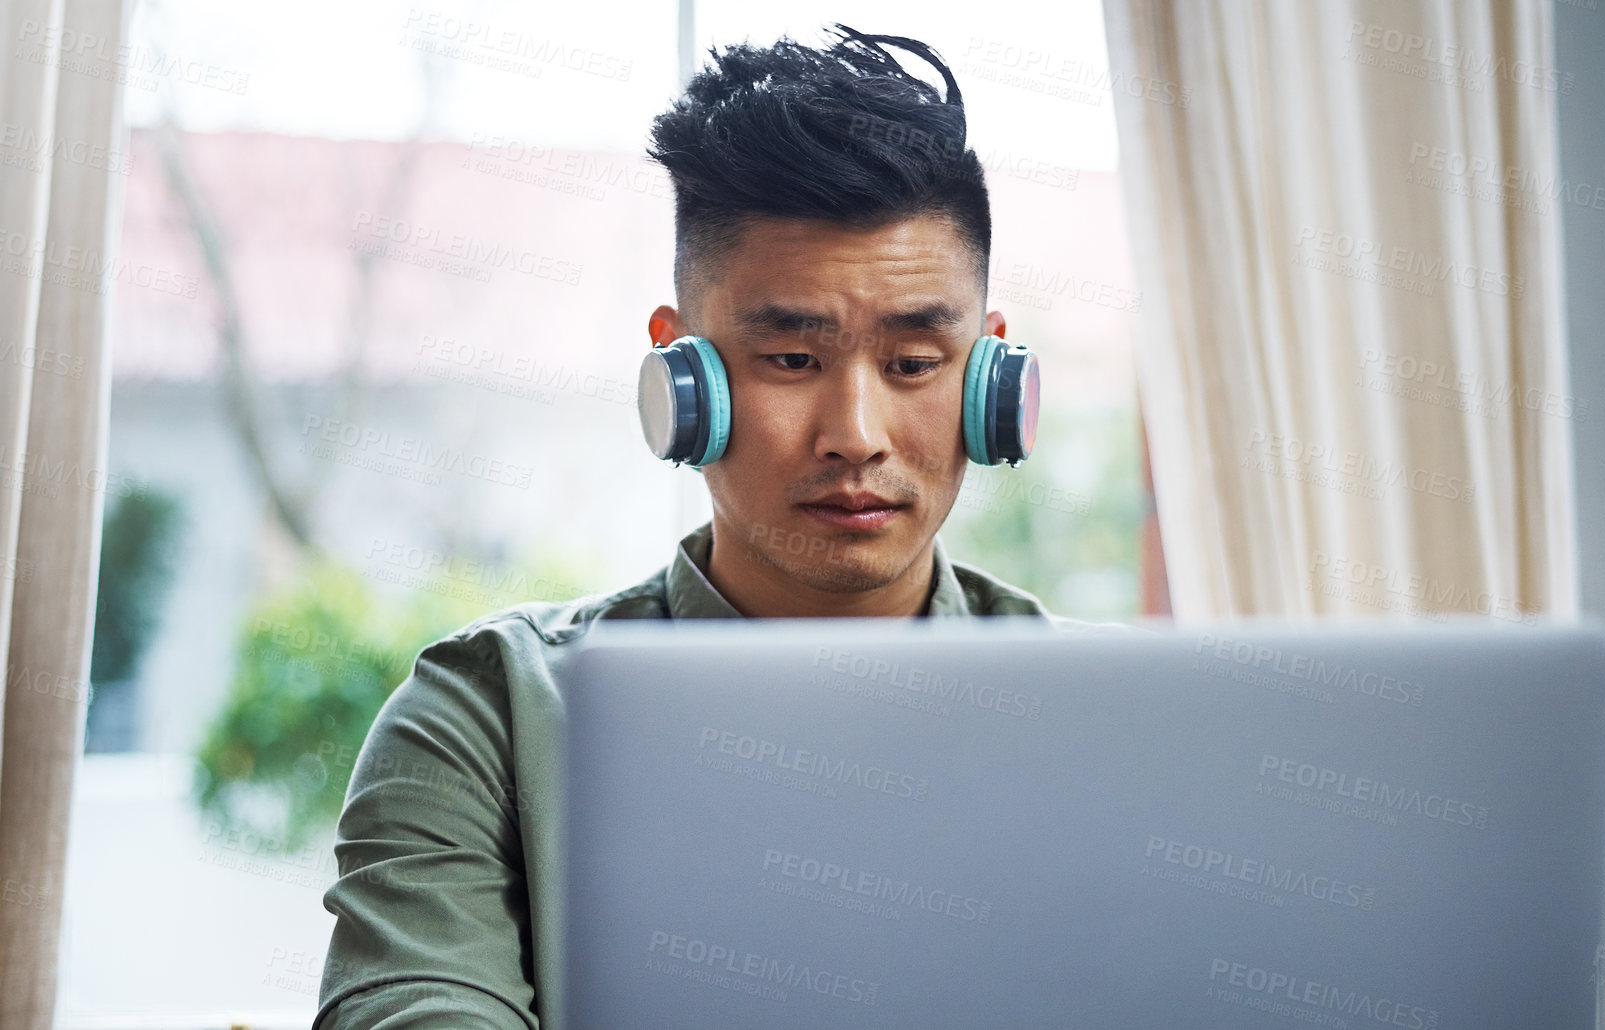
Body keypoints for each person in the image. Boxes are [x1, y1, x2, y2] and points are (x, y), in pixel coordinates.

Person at [313, 24, 1123, 1029]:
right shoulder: (486, 719)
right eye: (791, 360)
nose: (854, 435)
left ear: (989, 378)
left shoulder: (1119, 731)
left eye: (913, 363)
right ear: (680, 374)